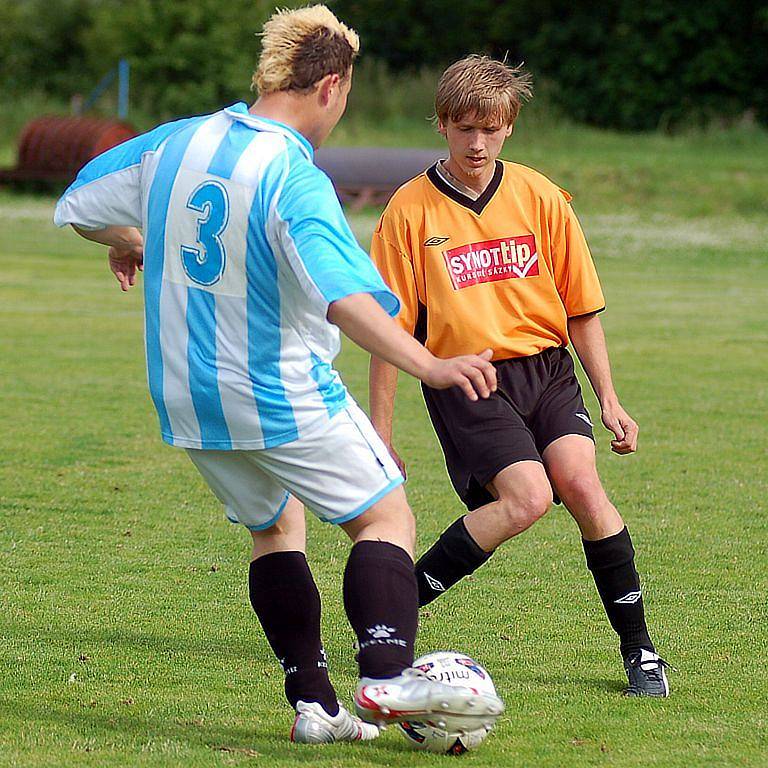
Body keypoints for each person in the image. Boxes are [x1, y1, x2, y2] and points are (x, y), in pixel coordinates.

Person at [53, 8, 504, 745]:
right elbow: (346, 300)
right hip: (276, 388)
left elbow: (79, 203)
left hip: (188, 395)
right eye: (348, 93)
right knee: (384, 516)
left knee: (276, 528)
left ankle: (316, 707)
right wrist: (431, 363)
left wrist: (139, 239)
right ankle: (389, 675)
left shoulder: (179, 141)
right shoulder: (292, 176)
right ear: (329, 85)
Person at [369, 55, 670, 697]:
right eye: (463, 127)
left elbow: (582, 308)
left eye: (491, 127)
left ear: (509, 128)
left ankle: (640, 651)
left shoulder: (540, 196)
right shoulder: (409, 211)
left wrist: (610, 399)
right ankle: (394, 611)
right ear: (443, 126)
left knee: (583, 487)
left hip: (550, 370)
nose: (476, 142)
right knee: (527, 500)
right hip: (468, 378)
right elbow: (388, 332)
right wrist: (382, 431)